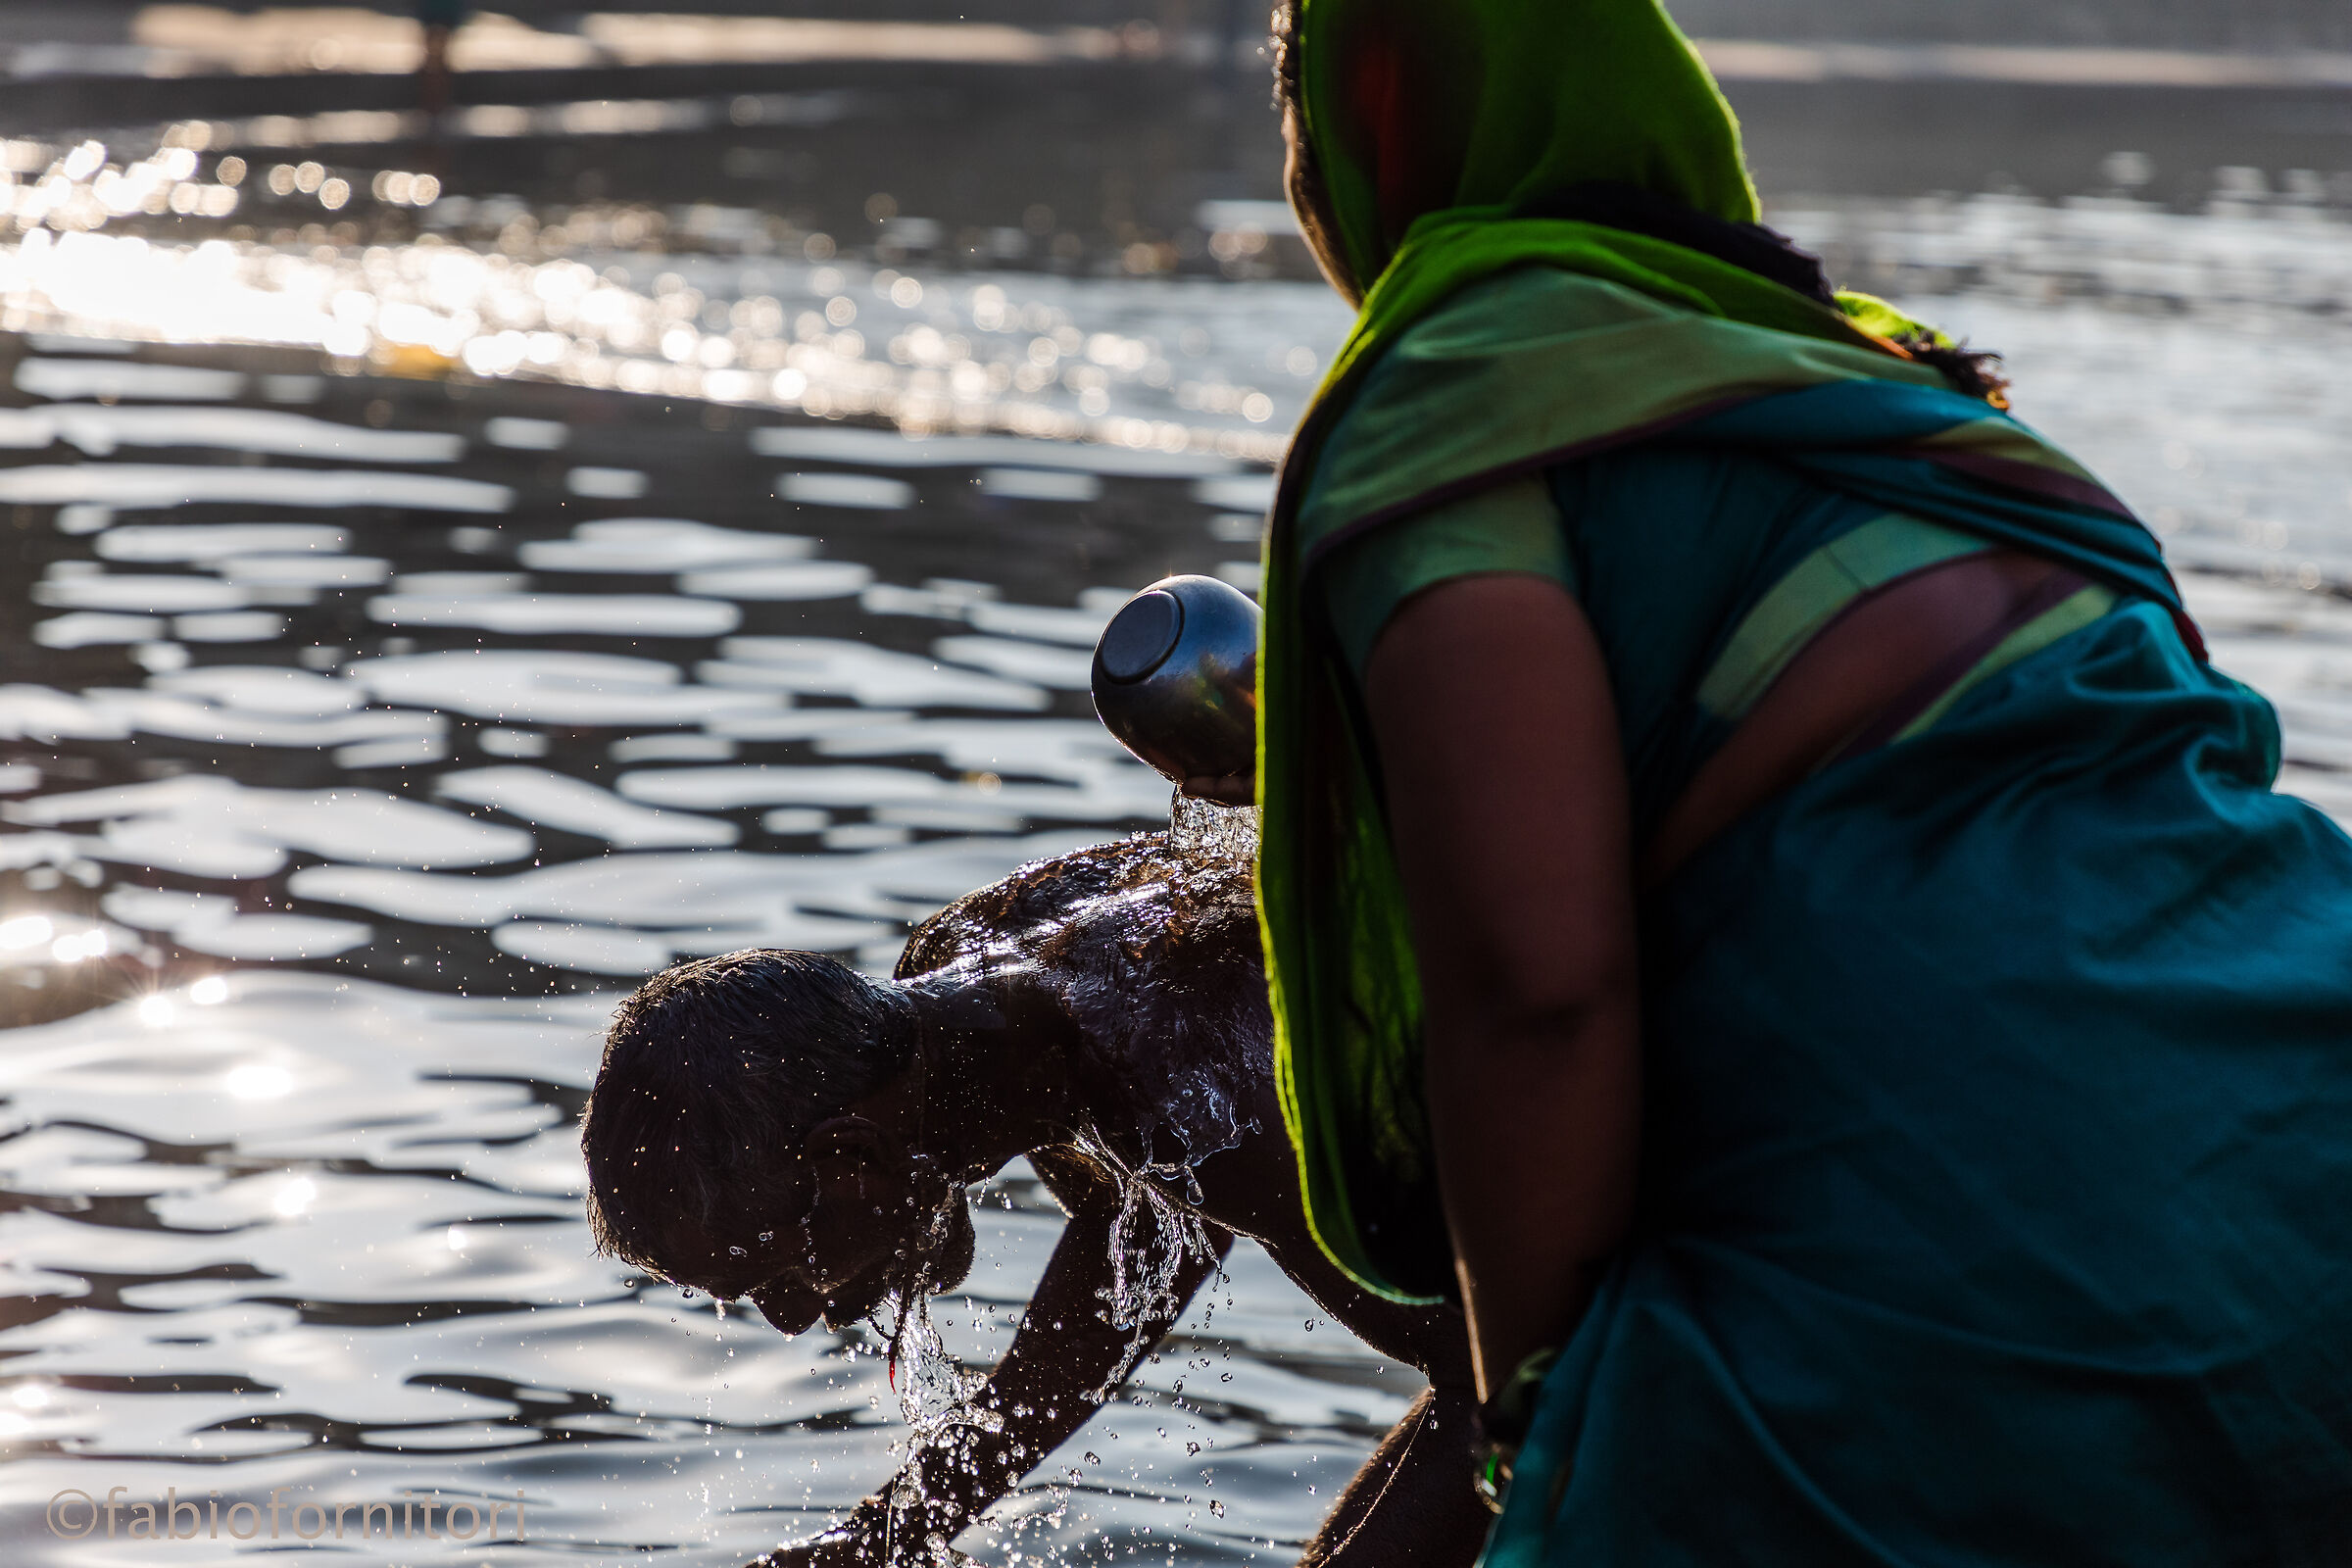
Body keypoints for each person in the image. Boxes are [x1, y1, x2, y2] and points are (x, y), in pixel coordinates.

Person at [1234, 0, 2352, 1562]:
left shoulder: (1454, 398)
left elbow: (1537, 991)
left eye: (1292, 133)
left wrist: (1545, 1441)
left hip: (2009, 1292)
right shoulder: (1884, 376)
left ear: (1372, 104)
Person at [579, 833, 1487, 1567]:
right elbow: (1134, 1239)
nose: (789, 1321)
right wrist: (894, 1532)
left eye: (775, 1274)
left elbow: (1508, 1390)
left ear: (850, 1156)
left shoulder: (1174, 1076)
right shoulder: (965, 990)